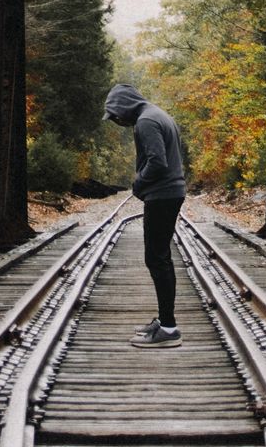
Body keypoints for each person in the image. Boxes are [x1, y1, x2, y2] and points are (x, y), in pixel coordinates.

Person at [102, 84, 186, 348]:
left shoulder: (146, 121)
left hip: (162, 194)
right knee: (160, 257)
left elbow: (158, 162)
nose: (117, 122)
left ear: (124, 106)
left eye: (116, 115)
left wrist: (139, 183)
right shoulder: (158, 114)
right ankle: (164, 321)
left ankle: (169, 328)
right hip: (169, 192)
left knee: (157, 258)